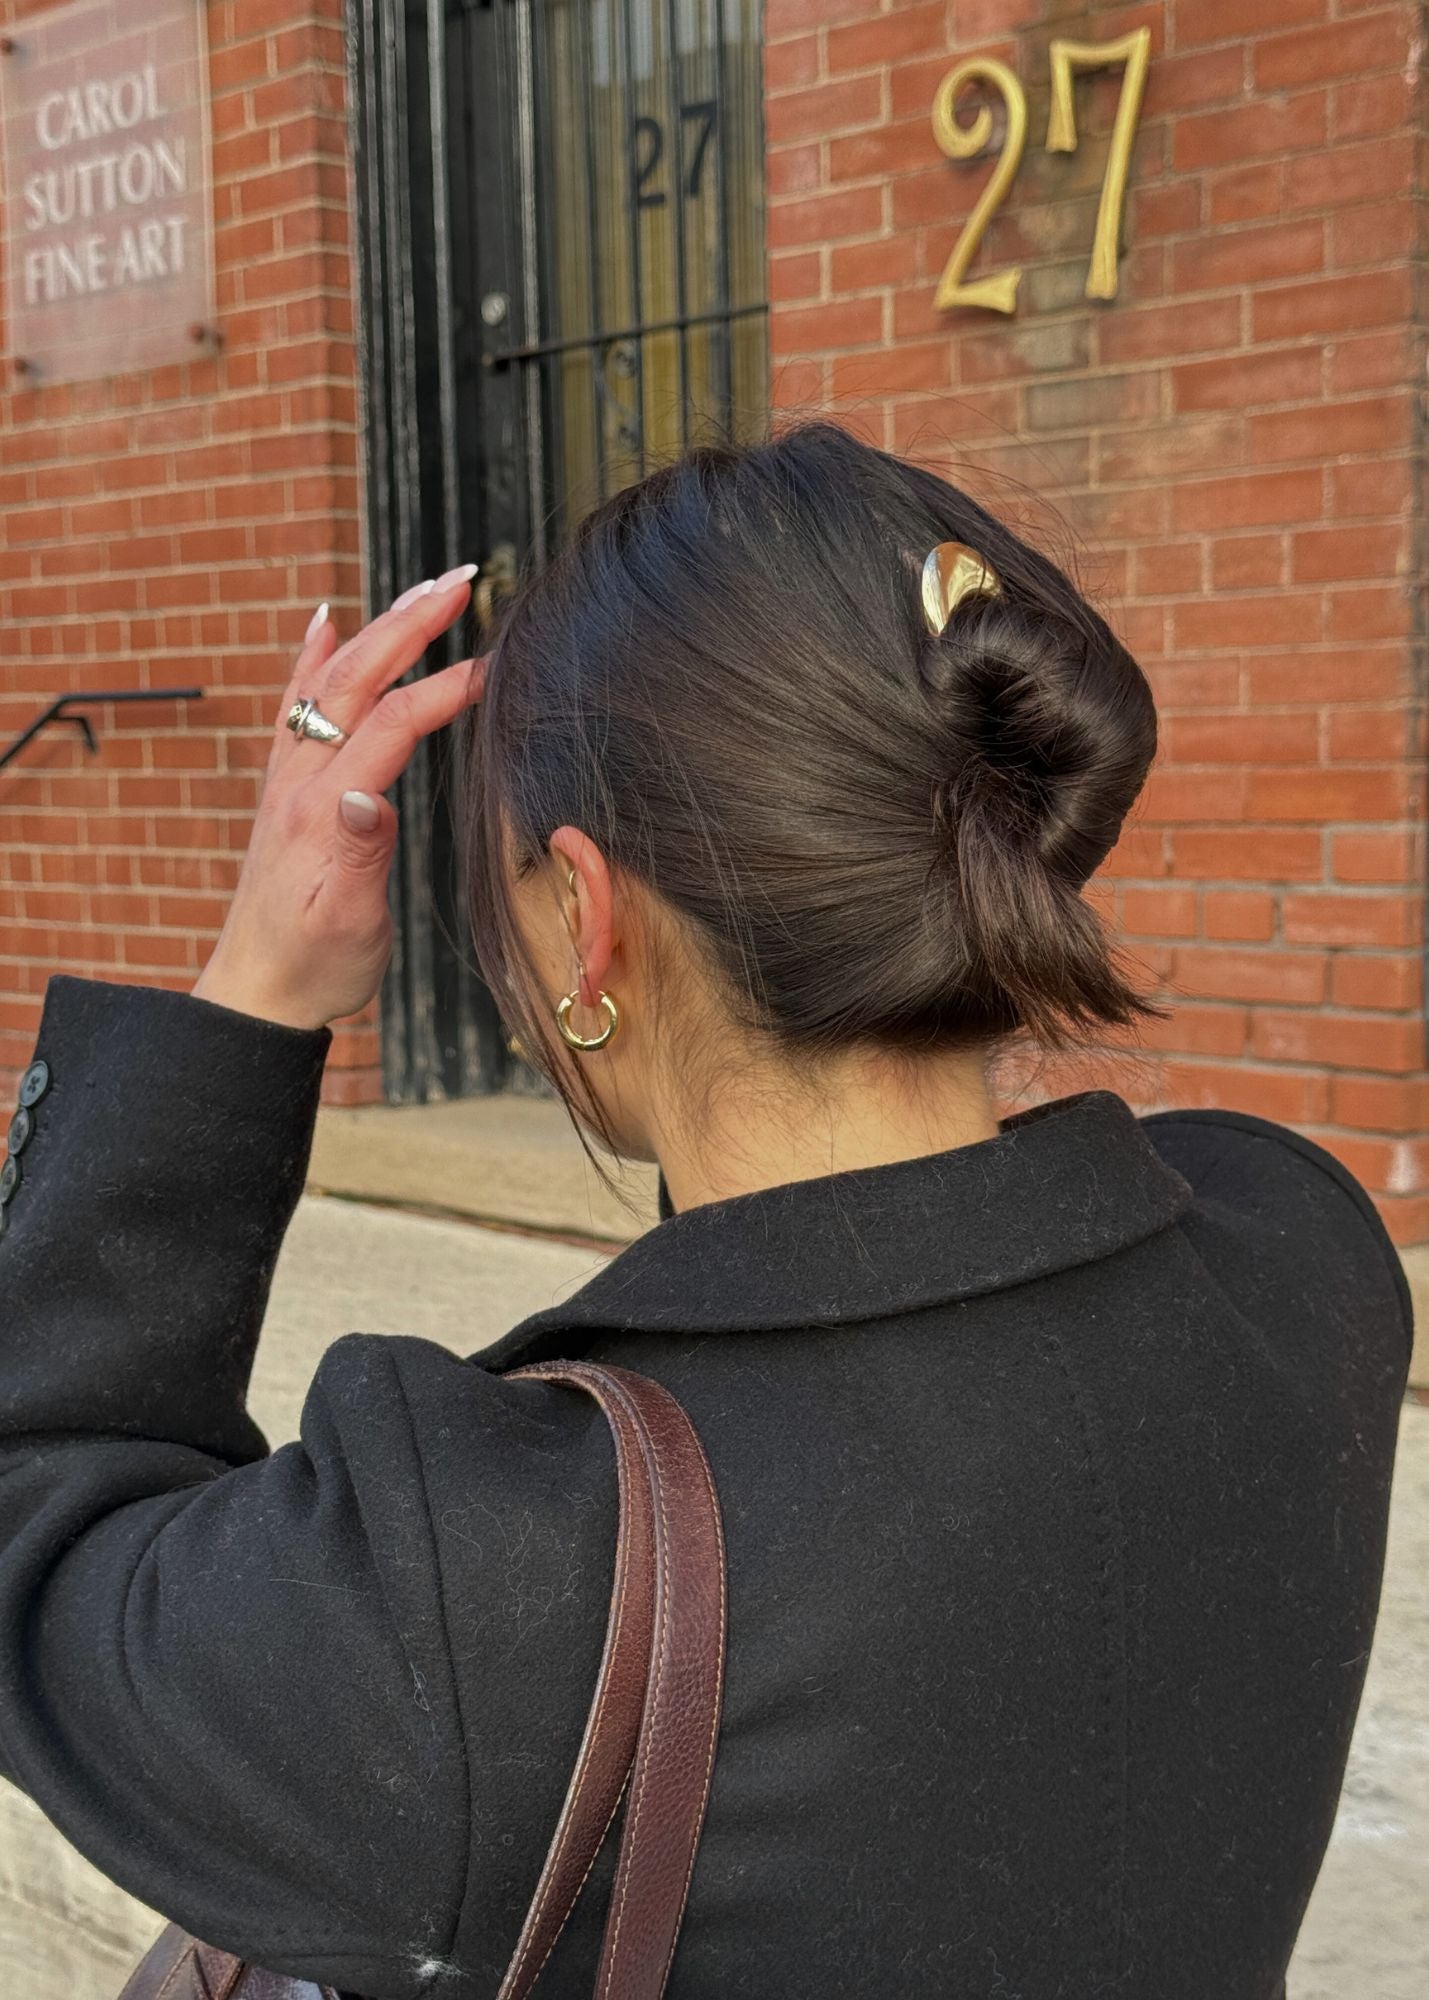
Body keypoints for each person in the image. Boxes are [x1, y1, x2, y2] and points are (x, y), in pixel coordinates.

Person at [0, 423, 1410, 2000]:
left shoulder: (488, 1593)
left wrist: (254, 986)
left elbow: (38, 1539)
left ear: (587, 925)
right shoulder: (1298, 1253)